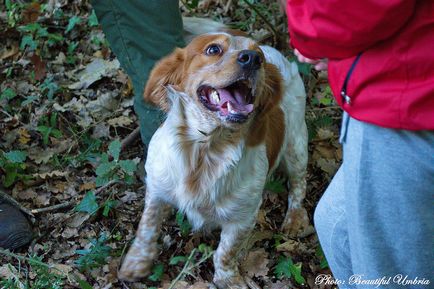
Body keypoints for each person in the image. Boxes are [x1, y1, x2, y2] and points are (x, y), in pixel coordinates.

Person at [285, 0, 434, 287]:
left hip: (407, 101)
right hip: (408, 77)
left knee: (387, 277)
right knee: (336, 225)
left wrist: (313, 35)